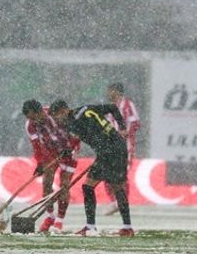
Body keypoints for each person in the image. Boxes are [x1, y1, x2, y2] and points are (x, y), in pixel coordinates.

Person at [51, 99, 134, 236]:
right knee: (117, 187)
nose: (58, 121)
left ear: (63, 111)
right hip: (118, 147)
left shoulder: (73, 123)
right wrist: (122, 127)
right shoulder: (86, 108)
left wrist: (70, 149)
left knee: (89, 187)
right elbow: (113, 107)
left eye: (57, 117)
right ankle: (127, 227)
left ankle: (90, 226)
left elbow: (80, 138)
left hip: (109, 152)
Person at [22, 99, 78, 232]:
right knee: (47, 183)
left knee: (64, 186)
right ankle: (50, 217)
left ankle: (59, 221)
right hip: (50, 152)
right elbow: (36, 146)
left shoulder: (56, 115)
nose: (33, 121)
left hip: (69, 151)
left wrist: (70, 146)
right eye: (30, 118)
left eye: (34, 117)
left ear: (41, 111)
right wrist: (40, 163)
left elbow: (76, 132)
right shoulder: (30, 126)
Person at [103, 83, 140, 216]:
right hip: (111, 147)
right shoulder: (110, 108)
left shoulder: (127, 105)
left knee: (121, 175)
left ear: (116, 91)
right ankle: (115, 201)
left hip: (125, 146)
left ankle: (122, 201)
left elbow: (135, 123)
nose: (108, 94)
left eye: (110, 91)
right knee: (106, 174)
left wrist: (124, 133)